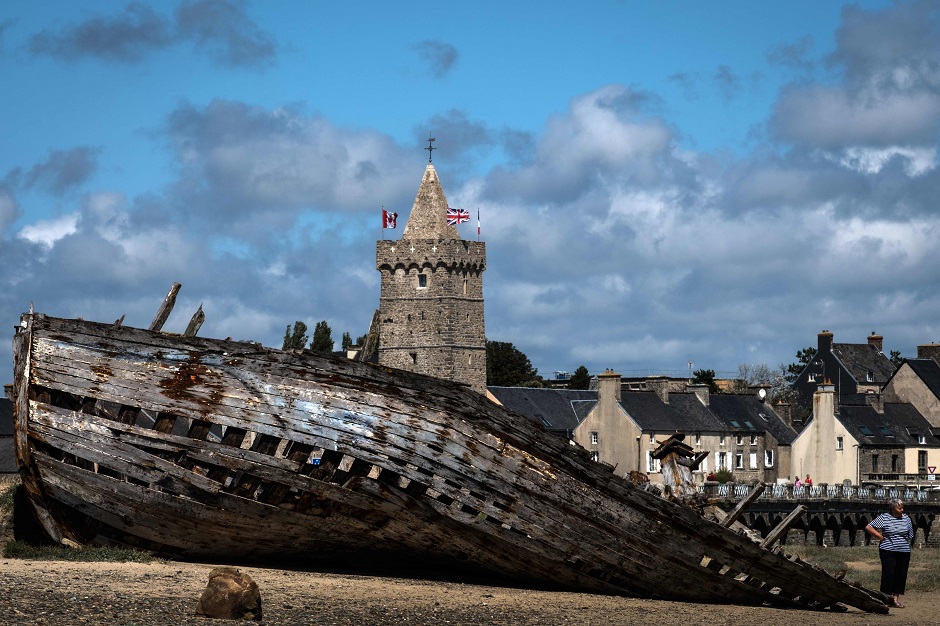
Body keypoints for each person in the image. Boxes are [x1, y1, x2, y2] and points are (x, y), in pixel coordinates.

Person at [866, 498, 914, 608]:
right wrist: (879, 536)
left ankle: (895, 599)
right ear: (893, 508)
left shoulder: (906, 519)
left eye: (903, 508)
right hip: (888, 550)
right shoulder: (884, 517)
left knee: (900, 574)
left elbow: (910, 535)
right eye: (899, 508)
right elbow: (869, 527)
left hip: (904, 550)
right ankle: (885, 598)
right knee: (888, 574)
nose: (902, 510)